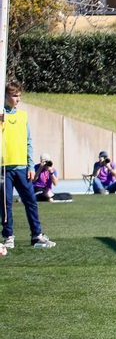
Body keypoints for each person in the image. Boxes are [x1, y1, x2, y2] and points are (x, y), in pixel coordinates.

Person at [2, 81, 54, 249]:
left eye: (19, 96)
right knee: (5, 203)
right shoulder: (1, 115)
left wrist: (31, 166)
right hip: (4, 167)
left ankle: (36, 234)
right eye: (14, 95)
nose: (18, 99)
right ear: (5, 96)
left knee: (31, 200)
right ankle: (8, 236)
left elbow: (28, 142)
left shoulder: (22, 116)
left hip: (22, 167)